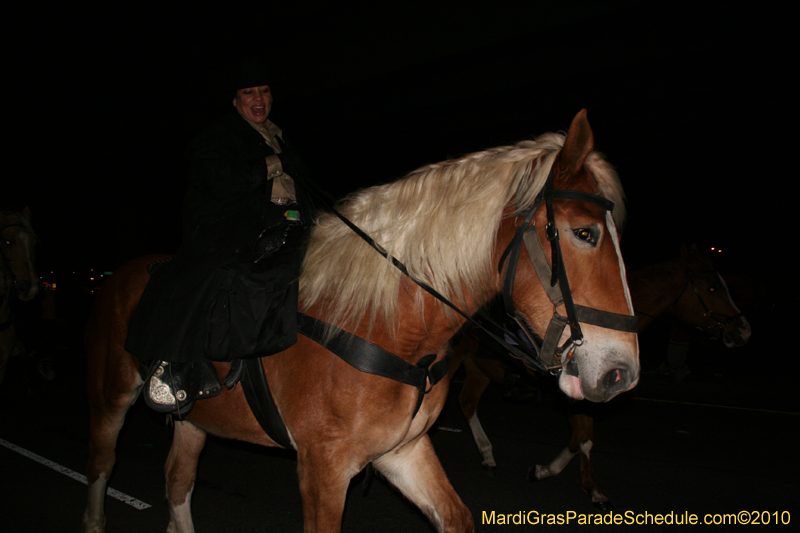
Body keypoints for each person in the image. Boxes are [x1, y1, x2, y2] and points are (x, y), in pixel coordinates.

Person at [125, 60, 313, 416]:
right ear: (235, 100)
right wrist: (276, 162)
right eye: (248, 93)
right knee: (215, 270)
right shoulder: (216, 136)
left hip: (285, 224)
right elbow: (225, 183)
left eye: (264, 91)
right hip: (228, 227)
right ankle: (174, 363)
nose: (258, 99)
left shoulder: (277, 134)